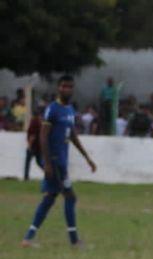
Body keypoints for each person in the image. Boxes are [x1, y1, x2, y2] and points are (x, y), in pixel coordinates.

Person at [20, 75, 97, 248]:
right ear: (58, 88)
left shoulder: (69, 110)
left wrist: (87, 158)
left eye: (69, 86)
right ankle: (74, 241)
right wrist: (47, 163)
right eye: (63, 86)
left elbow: (73, 136)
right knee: (70, 197)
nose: (66, 89)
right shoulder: (52, 109)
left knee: (49, 198)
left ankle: (28, 238)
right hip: (55, 161)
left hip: (60, 160)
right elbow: (43, 136)